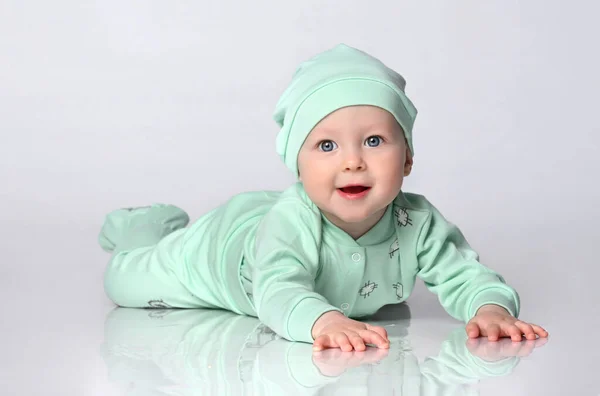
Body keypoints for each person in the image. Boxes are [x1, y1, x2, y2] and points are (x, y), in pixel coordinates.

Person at [98, 44, 549, 352]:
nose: (352, 162)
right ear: (298, 165)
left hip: (276, 225)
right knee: (125, 282)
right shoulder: (291, 222)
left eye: (374, 141)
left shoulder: (418, 222)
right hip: (221, 250)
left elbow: (464, 274)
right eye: (327, 146)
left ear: (408, 157)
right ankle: (144, 228)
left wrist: (491, 310)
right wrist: (323, 321)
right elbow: (278, 291)